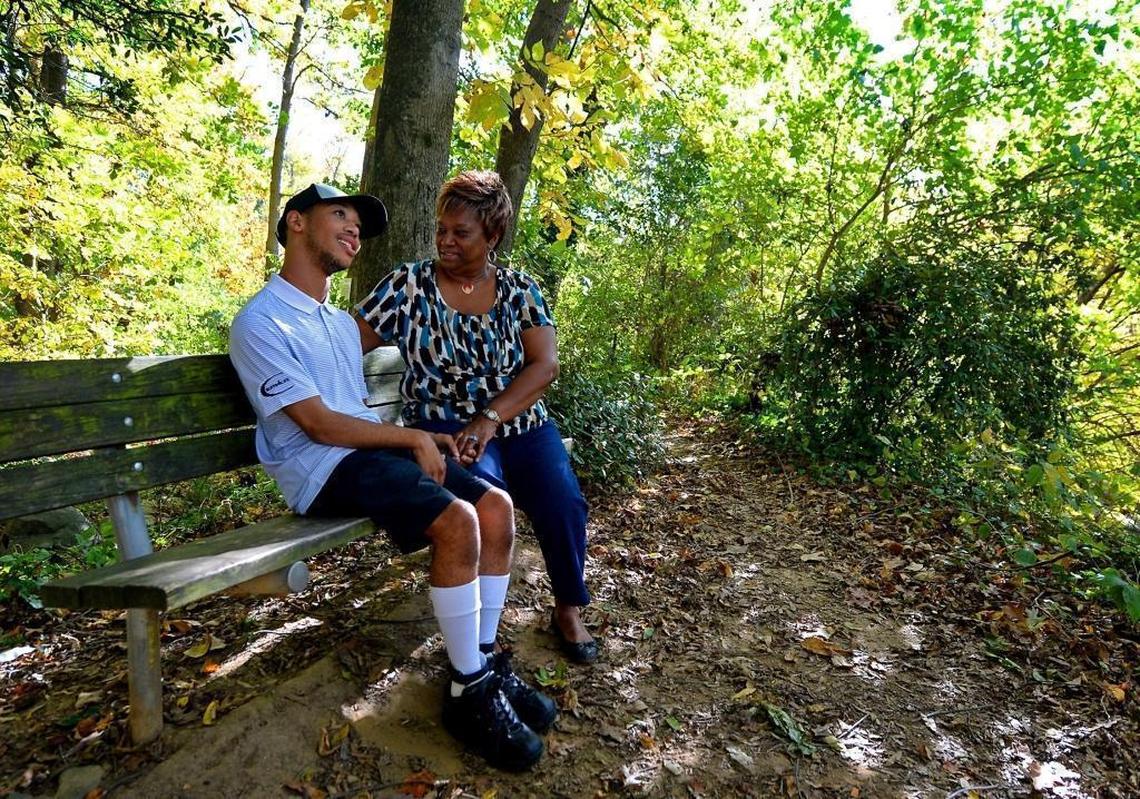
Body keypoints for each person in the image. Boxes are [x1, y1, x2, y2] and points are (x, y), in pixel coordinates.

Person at [228, 183, 555, 771]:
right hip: (320, 469)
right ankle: (468, 693)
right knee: (457, 521)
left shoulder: (332, 321)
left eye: (358, 222)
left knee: (497, 507)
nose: (354, 229)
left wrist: (418, 436)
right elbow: (321, 426)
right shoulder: (261, 321)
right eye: (340, 217)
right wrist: (414, 435)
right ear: (296, 224)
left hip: (366, 456)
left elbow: (357, 407)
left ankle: (481, 664)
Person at [355, 170, 598, 664]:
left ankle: (568, 608)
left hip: (521, 426)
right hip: (443, 427)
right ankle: (480, 640)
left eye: (460, 232)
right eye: (441, 228)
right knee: (490, 503)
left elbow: (544, 364)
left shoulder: (519, 290)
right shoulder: (408, 286)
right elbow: (342, 347)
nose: (445, 240)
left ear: (492, 235)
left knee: (563, 503)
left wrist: (490, 418)